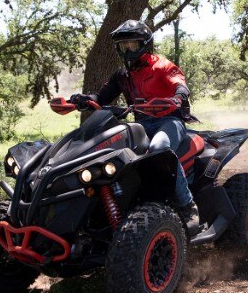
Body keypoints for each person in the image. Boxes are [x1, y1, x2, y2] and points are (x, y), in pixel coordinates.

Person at [52, 20, 200, 227]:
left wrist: (177, 98)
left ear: (145, 44)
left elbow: (180, 85)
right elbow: (102, 97)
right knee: (110, 153)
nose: (129, 49)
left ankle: (187, 205)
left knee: (159, 148)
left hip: (169, 121)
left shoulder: (163, 66)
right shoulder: (122, 75)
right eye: (124, 45)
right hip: (140, 124)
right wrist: (81, 100)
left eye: (133, 44)